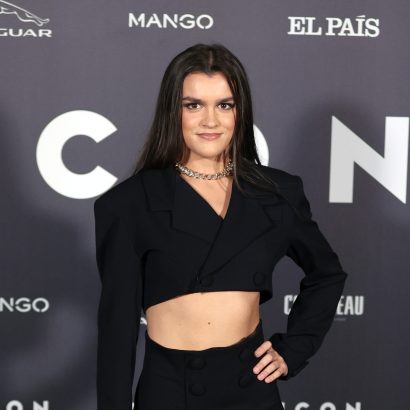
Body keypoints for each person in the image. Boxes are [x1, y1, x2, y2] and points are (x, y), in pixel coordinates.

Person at [94, 43, 348, 410]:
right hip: (170, 392)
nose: (210, 121)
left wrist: (293, 350)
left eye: (225, 105)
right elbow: (117, 330)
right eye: (193, 105)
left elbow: (327, 274)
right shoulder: (130, 203)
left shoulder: (277, 192)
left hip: (251, 390)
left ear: (240, 112)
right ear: (172, 111)